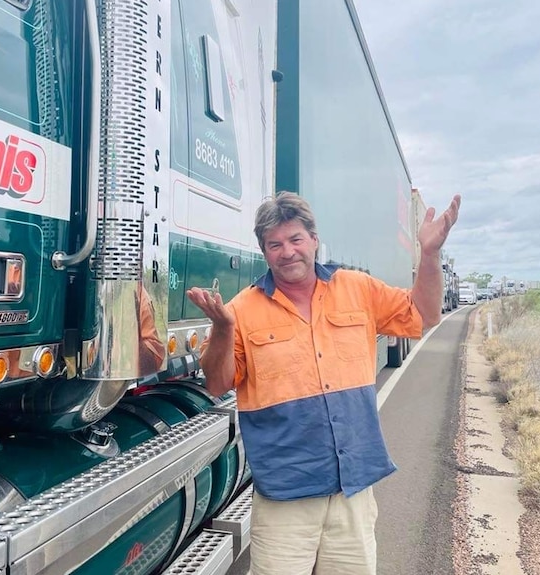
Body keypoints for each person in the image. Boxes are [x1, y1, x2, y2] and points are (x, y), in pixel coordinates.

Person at [186, 191, 461, 575]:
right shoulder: (241, 311)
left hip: (352, 489)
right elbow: (217, 383)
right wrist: (222, 329)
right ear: (264, 252)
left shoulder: (358, 288)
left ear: (314, 240)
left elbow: (424, 314)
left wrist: (429, 255)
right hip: (286, 495)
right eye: (275, 244)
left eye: (296, 239)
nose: (287, 252)